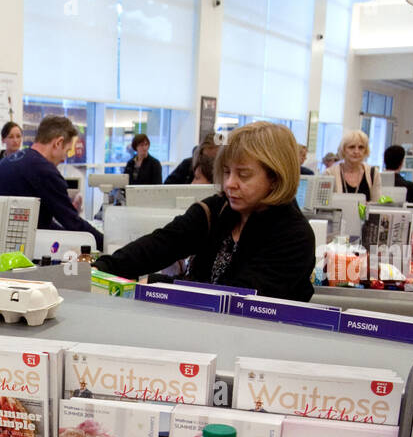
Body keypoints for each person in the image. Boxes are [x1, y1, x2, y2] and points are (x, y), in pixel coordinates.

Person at [93, 121, 315, 302]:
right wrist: (100, 269)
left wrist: (157, 284)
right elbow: (162, 243)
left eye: (244, 175)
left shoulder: (294, 236)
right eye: (227, 172)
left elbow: (239, 299)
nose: (230, 184)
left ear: (275, 178)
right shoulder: (217, 210)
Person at [0, 114, 102, 249]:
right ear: (58, 143)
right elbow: (72, 223)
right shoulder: (45, 171)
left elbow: (40, 222)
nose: (64, 158)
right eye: (67, 151)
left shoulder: (11, 160)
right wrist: (107, 245)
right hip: (19, 253)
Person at [325, 130, 381, 202]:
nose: (356, 151)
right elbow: (324, 205)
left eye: (361, 147)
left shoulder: (373, 173)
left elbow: (377, 204)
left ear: (365, 150)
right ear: (343, 150)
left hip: (366, 213)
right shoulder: (330, 173)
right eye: (351, 147)